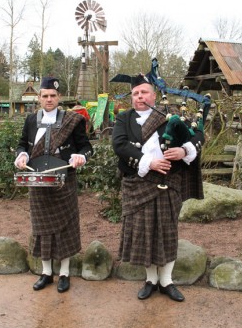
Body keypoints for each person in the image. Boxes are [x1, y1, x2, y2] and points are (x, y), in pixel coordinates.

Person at [111, 74, 205, 302]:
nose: (140, 96)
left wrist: (185, 151)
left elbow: (199, 134)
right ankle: (151, 279)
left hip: (168, 181)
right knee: (144, 232)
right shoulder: (124, 118)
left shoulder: (170, 115)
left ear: (153, 95)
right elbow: (119, 144)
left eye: (144, 92)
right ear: (131, 97)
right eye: (135, 93)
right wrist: (148, 162)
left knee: (167, 231)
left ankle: (167, 281)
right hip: (138, 181)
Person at [14, 76, 93, 293]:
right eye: (45, 96)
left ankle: (65, 273)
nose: (49, 99)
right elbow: (22, 144)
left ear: (59, 97)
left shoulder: (73, 120)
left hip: (63, 180)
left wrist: (80, 157)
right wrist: (21, 156)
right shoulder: (31, 120)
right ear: (39, 98)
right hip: (37, 181)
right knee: (42, 229)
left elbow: (86, 147)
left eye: (53, 96)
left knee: (65, 228)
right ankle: (46, 273)